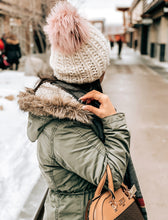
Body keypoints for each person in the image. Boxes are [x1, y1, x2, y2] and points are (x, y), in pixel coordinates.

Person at [18, 2, 147, 220]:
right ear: (95, 72)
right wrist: (114, 122)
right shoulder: (64, 125)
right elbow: (111, 176)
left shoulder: (78, 108)